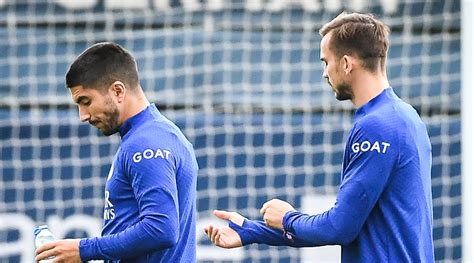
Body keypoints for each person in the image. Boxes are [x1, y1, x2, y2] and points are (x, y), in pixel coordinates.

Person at [205, 12, 435, 262]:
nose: (325, 73)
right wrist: (253, 231)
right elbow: (349, 225)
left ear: (347, 63)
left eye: (327, 62)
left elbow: (340, 227)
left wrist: (287, 218)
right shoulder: (406, 116)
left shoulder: (377, 126)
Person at [35, 42, 199, 262]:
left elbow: (161, 229)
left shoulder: (145, 143)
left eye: (86, 101)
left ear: (118, 90)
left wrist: (84, 250)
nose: (83, 115)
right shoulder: (161, 135)